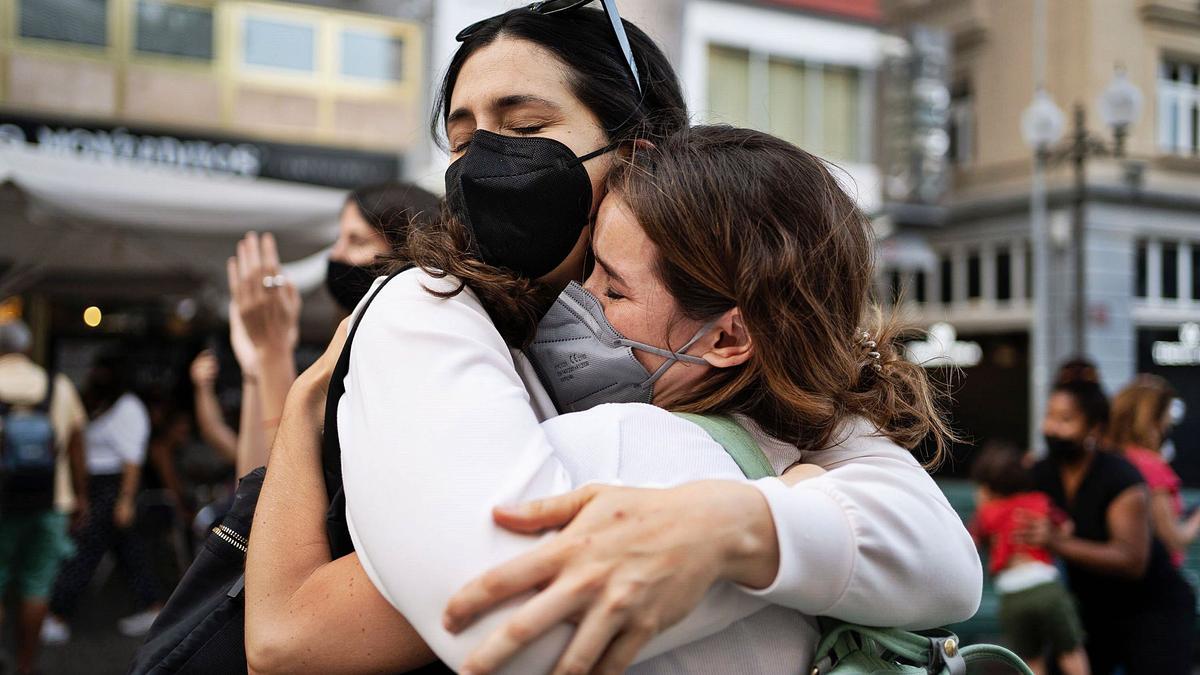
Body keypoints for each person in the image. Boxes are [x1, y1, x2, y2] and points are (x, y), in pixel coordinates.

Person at [248, 114, 979, 672]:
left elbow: (284, 637)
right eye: (463, 131)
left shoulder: (628, 450)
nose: (579, 296)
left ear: (728, 337)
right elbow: (945, 559)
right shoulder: (803, 457)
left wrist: (313, 399)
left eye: (611, 283)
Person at [225, 182, 438, 473]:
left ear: (410, 250)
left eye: (356, 240)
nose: (335, 255)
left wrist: (273, 354)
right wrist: (257, 367)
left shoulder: (409, 357)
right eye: (339, 239)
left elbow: (288, 492)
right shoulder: (347, 347)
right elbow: (252, 496)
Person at [1019, 379, 1195, 675]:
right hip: (1090, 609)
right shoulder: (1041, 472)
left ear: (1095, 429)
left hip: (1153, 609)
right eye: (1049, 416)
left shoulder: (1119, 477)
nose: (1052, 428)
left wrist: (1058, 543)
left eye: (1066, 419)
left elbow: (1132, 560)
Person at [43, 352, 162, 642]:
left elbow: (132, 460)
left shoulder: (128, 407)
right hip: (99, 486)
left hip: (112, 487)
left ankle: (59, 613)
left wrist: (125, 499)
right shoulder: (103, 405)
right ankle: (152, 606)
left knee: (84, 550)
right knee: (128, 551)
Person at [0, 319, 87, 675]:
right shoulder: (57, 385)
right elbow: (78, 443)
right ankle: (25, 667)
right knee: (36, 586)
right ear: (27, 348)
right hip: (51, 502)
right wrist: (82, 494)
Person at [969, 442, 1088, 675]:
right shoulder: (1039, 502)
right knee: (1071, 652)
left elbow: (971, 543)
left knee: (1031, 660)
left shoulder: (986, 513)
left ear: (986, 487)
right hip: (1048, 588)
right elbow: (1067, 528)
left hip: (1013, 595)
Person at [1109, 374, 1200, 566]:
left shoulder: (1109, 458)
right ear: (1154, 420)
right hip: (1157, 579)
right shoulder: (1151, 466)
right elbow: (1174, 540)